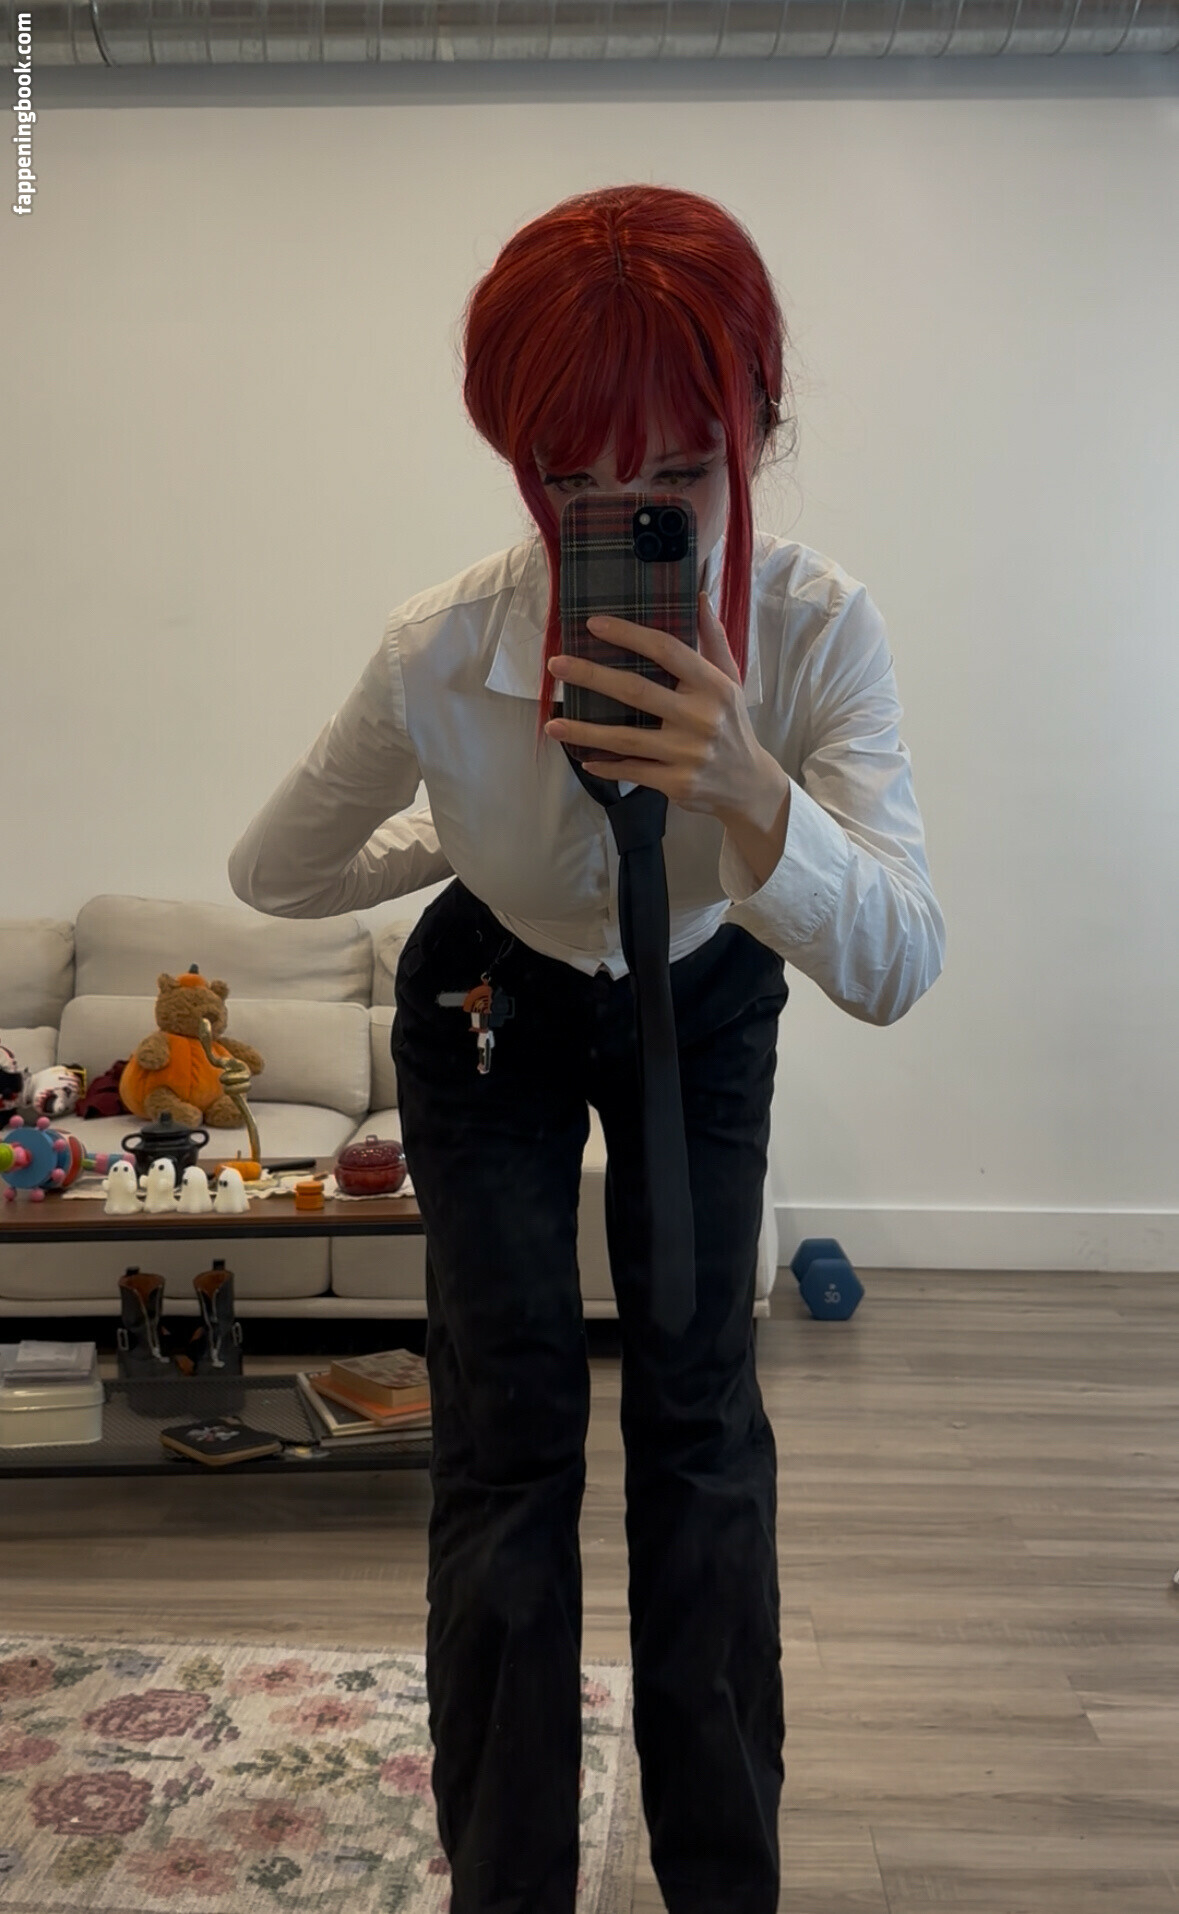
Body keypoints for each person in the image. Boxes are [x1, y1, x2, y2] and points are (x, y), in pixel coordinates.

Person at [228, 182, 946, 1914]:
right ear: (522, 468)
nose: (626, 519)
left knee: (701, 1423)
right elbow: (276, 873)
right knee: (503, 1429)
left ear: (758, 435)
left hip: (707, 984)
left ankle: (723, 1885)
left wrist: (750, 787)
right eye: (575, 486)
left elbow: (903, 958)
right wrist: (466, 844)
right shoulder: (440, 649)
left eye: (680, 476)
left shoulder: (818, 630)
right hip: (493, 1000)